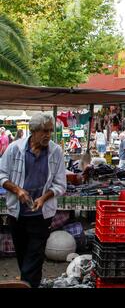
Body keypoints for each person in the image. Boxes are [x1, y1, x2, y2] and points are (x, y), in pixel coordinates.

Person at [0, 113, 66, 288]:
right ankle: (30, 284)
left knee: (35, 257)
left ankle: (27, 284)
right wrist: (17, 190)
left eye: (50, 131)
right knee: (24, 257)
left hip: (41, 215)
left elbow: (61, 184)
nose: (48, 135)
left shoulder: (55, 151)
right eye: (44, 131)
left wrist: (44, 198)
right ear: (33, 131)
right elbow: (1, 175)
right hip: (17, 213)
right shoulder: (15, 149)